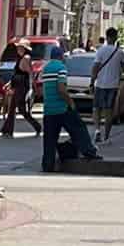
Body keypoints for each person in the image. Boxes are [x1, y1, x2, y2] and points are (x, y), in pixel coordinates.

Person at [38, 46, 98, 174]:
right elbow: (61, 89)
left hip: (49, 110)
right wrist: (71, 102)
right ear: (60, 56)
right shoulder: (61, 68)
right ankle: (89, 152)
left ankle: (47, 165)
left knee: (50, 139)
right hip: (62, 108)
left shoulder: (46, 69)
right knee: (79, 129)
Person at [89, 28, 124, 145]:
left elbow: (95, 67)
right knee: (109, 111)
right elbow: (123, 67)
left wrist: (92, 81)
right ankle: (106, 136)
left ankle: (97, 130)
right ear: (115, 37)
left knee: (96, 108)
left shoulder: (100, 51)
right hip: (113, 85)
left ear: (107, 37)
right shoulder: (120, 52)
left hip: (100, 84)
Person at [0, 42, 40, 139]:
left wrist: (33, 87)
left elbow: (30, 73)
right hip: (16, 85)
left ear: (24, 49)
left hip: (22, 86)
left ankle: (37, 126)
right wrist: (9, 84)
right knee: (12, 108)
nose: (18, 50)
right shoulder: (19, 58)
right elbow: (16, 74)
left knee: (22, 110)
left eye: (20, 48)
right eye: (17, 48)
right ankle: (7, 130)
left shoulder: (26, 58)